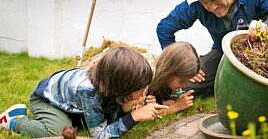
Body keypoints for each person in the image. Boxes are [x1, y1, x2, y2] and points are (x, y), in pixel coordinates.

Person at [0, 47, 168, 138]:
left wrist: (126, 108)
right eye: (139, 90)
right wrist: (134, 116)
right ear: (121, 86)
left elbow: (110, 117)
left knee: (88, 121)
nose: (143, 94)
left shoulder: (109, 85)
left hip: (72, 103)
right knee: (56, 132)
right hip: (46, 99)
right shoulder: (88, 92)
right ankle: (14, 120)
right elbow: (100, 135)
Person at [146, 42, 200, 115]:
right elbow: (143, 113)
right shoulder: (145, 76)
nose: (185, 85)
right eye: (182, 80)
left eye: (187, 80)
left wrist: (177, 99)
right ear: (170, 71)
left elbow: (166, 101)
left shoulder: (167, 78)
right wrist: (176, 107)